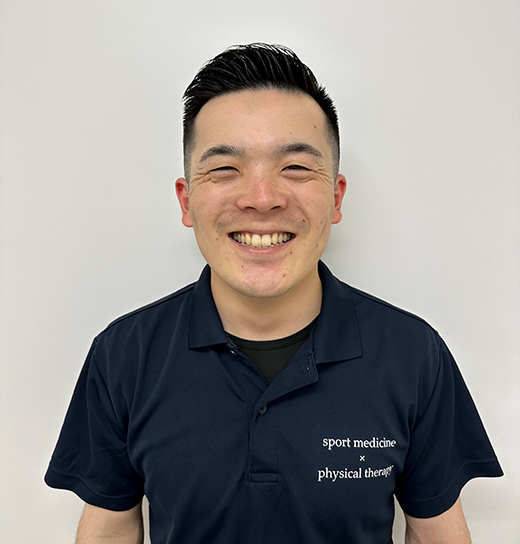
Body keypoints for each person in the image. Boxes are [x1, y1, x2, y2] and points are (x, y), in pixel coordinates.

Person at [45, 43, 502, 543]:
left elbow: (437, 534)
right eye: (225, 169)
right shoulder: (124, 355)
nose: (262, 199)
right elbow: (110, 532)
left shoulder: (412, 354)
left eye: (296, 168)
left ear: (335, 198)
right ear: (186, 201)